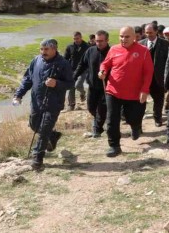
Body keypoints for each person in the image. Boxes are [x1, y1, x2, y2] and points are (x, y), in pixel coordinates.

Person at [13, 39, 74, 171]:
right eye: (41, 49)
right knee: (34, 125)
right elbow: (28, 79)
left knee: (44, 129)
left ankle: (37, 158)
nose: (43, 52)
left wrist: (56, 83)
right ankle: (53, 136)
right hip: (36, 101)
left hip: (54, 103)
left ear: (54, 49)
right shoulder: (36, 60)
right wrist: (19, 94)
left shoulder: (63, 63)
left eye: (46, 49)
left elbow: (70, 83)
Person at [98, 26, 154, 157]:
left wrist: (145, 90)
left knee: (132, 118)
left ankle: (135, 126)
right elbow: (105, 64)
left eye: (127, 36)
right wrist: (102, 71)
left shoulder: (144, 51)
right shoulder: (113, 49)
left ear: (134, 37)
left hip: (134, 93)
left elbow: (148, 72)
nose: (123, 39)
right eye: (121, 36)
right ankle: (114, 146)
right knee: (112, 119)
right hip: (113, 90)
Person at [74, 30, 111, 138]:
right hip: (92, 85)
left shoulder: (112, 51)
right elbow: (82, 64)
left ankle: (97, 128)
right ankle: (98, 121)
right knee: (91, 107)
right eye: (97, 41)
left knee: (102, 108)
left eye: (101, 41)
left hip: (107, 86)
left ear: (107, 40)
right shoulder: (90, 51)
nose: (98, 43)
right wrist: (74, 76)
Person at [139, 24, 169, 127]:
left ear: (156, 32)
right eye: (146, 33)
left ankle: (158, 118)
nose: (148, 35)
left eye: (150, 32)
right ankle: (138, 122)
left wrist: (167, 77)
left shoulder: (165, 44)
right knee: (141, 100)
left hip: (158, 78)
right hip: (143, 79)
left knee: (158, 100)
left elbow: (168, 62)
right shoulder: (140, 44)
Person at [64, 32, 89, 110]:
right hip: (72, 69)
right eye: (74, 39)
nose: (76, 40)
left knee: (78, 85)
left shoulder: (87, 47)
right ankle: (71, 105)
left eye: (77, 38)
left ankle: (83, 93)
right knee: (71, 87)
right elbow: (65, 58)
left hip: (83, 70)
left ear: (81, 37)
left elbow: (90, 58)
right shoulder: (70, 47)